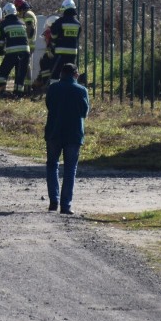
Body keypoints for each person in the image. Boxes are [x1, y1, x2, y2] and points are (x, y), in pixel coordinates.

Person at [44, 63, 90, 214]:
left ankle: (53, 201)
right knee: (70, 169)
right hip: (73, 134)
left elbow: (49, 105)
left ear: (61, 74)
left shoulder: (53, 88)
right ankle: (66, 205)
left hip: (54, 133)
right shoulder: (82, 90)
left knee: (52, 165)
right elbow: (84, 112)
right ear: (76, 74)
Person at [0, 2, 30, 97]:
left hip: (12, 52)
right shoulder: (22, 22)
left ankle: (0, 91)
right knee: (20, 74)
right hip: (26, 52)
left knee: (3, 71)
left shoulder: (4, 23)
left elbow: (1, 41)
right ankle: (18, 94)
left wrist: (1, 51)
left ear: (5, 12)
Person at [49, 0, 81, 80]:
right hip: (73, 52)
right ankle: (73, 89)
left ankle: (55, 90)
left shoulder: (59, 21)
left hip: (60, 52)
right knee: (72, 72)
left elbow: (53, 36)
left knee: (56, 72)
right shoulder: (78, 23)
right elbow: (77, 38)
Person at [14, 0, 38, 87]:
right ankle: (25, 84)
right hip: (27, 44)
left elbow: (29, 30)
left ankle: (27, 86)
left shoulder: (28, 15)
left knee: (26, 65)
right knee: (23, 64)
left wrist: (24, 39)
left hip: (28, 44)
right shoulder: (26, 14)